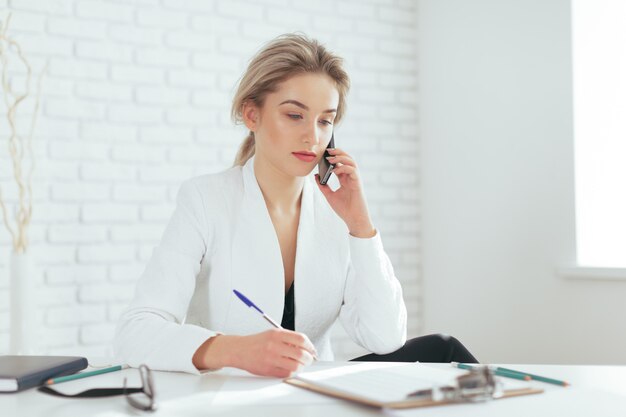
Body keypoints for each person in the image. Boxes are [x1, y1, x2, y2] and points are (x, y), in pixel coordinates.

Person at [114, 33, 477, 378]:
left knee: (443, 350)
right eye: (294, 115)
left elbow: (385, 337)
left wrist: (360, 226)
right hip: (230, 395)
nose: (312, 136)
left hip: (312, 395)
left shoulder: (336, 213)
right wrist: (236, 350)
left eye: (325, 121)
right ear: (252, 115)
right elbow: (136, 331)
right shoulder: (205, 200)